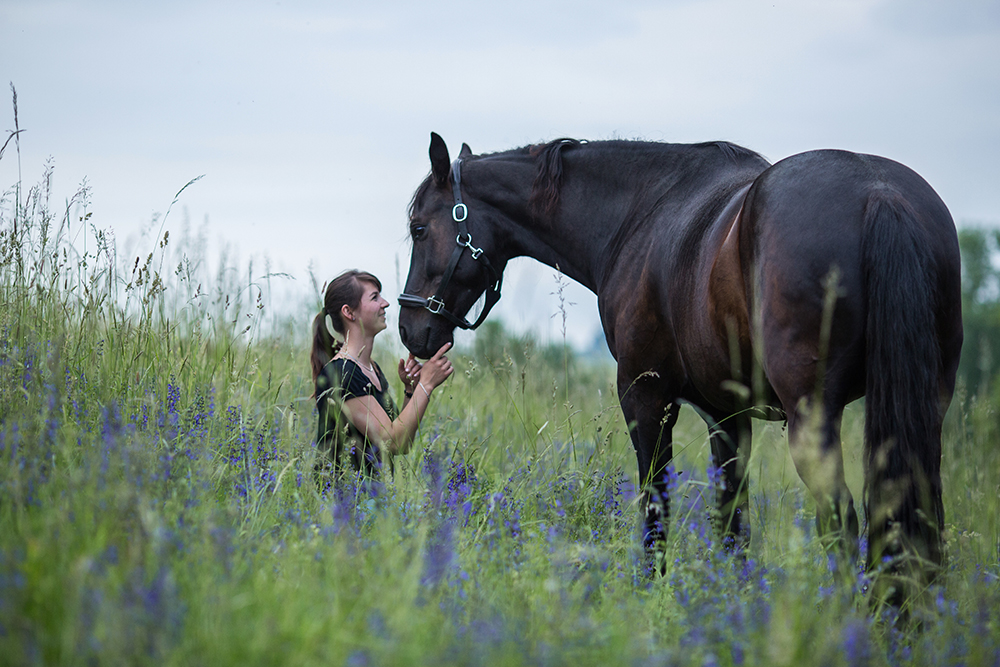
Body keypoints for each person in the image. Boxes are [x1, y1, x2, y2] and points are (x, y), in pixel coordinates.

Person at [310, 269, 453, 478]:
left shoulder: (371, 369)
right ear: (349, 312)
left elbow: (402, 441)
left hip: (373, 501)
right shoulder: (342, 373)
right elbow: (391, 442)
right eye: (375, 297)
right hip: (344, 504)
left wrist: (411, 391)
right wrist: (427, 385)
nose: (385, 303)